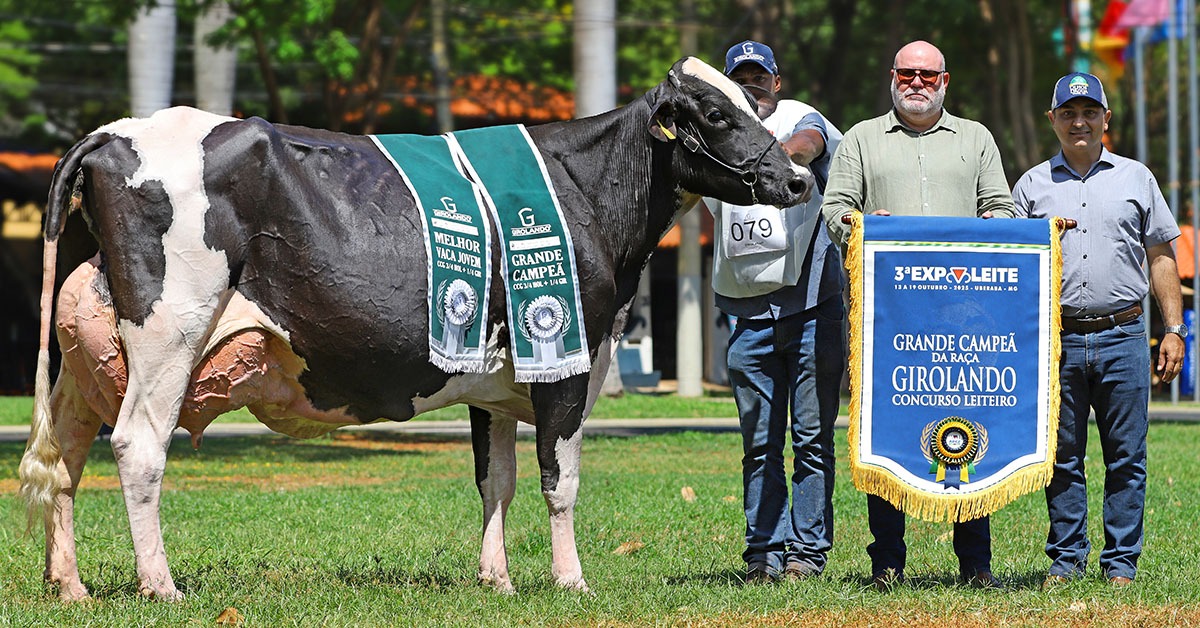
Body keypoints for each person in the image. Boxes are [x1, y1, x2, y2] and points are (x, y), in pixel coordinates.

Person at [820, 40, 1013, 590]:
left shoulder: (976, 138)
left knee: (970, 430)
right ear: (892, 76)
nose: (917, 83)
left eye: (928, 75)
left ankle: (975, 563)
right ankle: (886, 564)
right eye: (908, 74)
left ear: (945, 81)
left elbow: (1000, 208)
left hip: (963, 322)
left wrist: (988, 229)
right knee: (886, 434)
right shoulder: (860, 139)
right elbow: (835, 210)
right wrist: (861, 225)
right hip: (888, 319)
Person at [1011, 72, 1183, 589]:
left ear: (1106, 118)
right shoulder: (1031, 186)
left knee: (1126, 456)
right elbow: (1012, 264)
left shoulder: (1137, 178)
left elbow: (1161, 256)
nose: (1079, 122)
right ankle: (1066, 560)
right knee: (1062, 457)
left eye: (1089, 112)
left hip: (1124, 334)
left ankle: (1121, 563)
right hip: (1056, 339)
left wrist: (1174, 329)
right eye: (1068, 113)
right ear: (1053, 120)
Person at [706, 40, 844, 584]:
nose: (751, 87)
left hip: (812, 309)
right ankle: (763, 551)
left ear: (776, 83)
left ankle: (807, 554)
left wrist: (773, 156)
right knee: (759, 443)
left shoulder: (799, 116)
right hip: (747, 316)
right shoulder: (713, 133)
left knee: (811, 438)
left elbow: (810, 143)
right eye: (740, 78)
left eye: (759, 78)